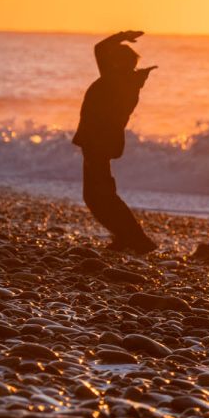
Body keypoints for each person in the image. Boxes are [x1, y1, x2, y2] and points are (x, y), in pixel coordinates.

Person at [72, 30, 158, 254]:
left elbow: (99, 49)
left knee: (99, 195)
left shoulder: (115, 81)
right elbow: (101, 51)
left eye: (114, 58)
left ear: (119, 63)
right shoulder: (124, 82)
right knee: (99, 194)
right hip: (101, 142)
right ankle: (126, 237)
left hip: (97, 143)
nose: (107, 60)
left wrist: (122, 36)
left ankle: (137, 239)